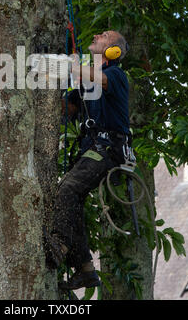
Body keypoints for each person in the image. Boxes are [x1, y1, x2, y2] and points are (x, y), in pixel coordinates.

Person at [45, 30, 130, 290]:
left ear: (113, 51)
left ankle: (59, 243)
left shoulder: (115, 76)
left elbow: (94, 76)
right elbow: (63, 109)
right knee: (74, 200)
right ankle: (84, 268)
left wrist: (70, 64)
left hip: (109, 148)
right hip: (93, 149)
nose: (95, 35)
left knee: (68, 187)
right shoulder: (86, 85)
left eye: (103, 36)